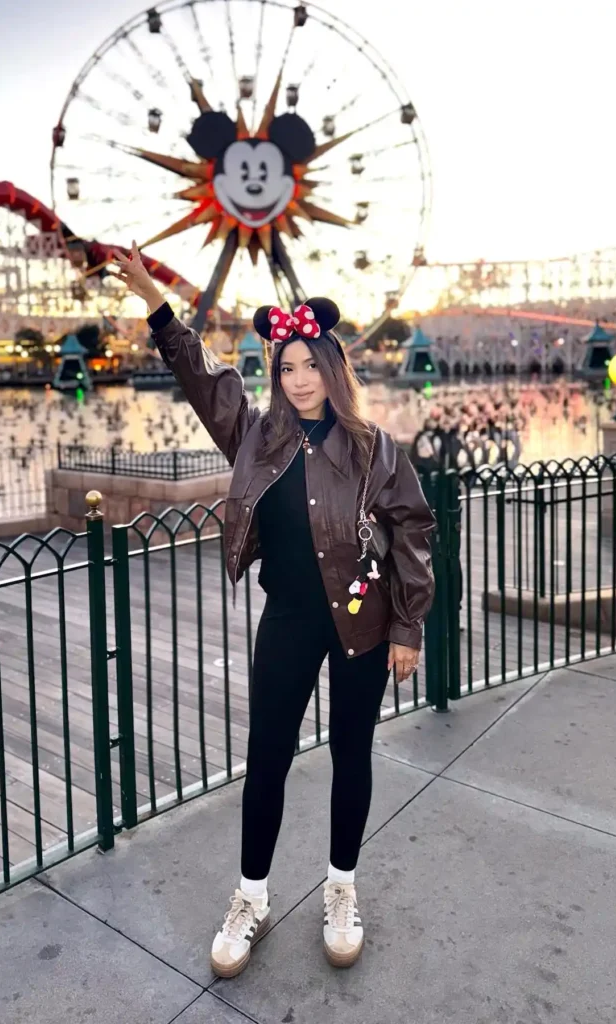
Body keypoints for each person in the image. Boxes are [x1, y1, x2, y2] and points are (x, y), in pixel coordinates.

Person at [114, 242, 436, 977]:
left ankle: (341, 890)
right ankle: (250, 898)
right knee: (267, 757)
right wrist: (155, 304)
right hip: (288, 617)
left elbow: (413, 527)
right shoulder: (254, 434)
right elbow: (199, 376)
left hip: (362, 617)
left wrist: (407, 624)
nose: (296, 380)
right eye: (284, 368)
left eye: (308, 365)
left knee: (350, 753)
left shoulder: (372, 447)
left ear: (332, 367)